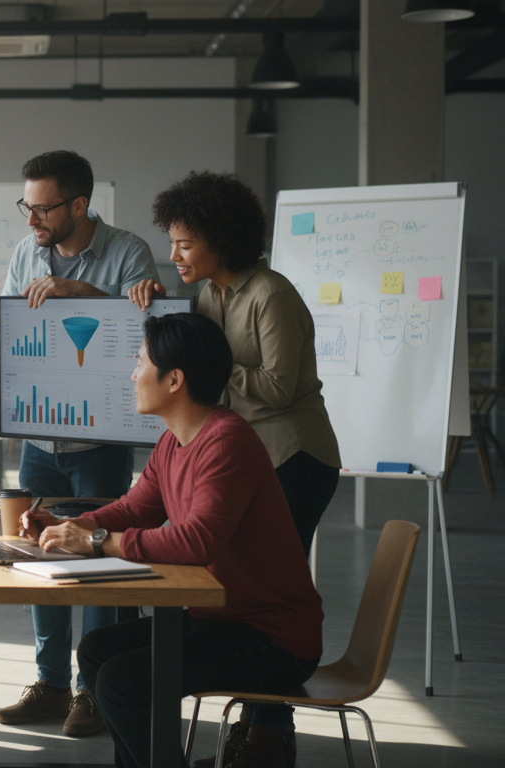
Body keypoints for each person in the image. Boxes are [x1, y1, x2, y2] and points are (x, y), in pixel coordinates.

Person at [26, 312, 323, 768]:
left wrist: (99, 541)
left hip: (274, 637)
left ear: (174, 380)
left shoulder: (226, 442)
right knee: (97, 651)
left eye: (141, 361)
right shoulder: (174, 441)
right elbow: (134, 508)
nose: (132, 373)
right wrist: (73, 526)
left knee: (121, 682)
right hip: (219, 620)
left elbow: (197, 542)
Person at [129, 171, 341, 768]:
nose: (174, 255)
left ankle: (268, 733)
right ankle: (249, 718)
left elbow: (276, 385)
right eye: (171, 243)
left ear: (221, 241)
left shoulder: (271, 293)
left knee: (265, 597)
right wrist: (158, 302)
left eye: (184, 244)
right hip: (246, 455)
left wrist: (206, 372)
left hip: (294, 456)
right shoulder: (206, 295)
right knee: (236, 585)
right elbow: (191, 356)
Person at [0, 150, 160, 735]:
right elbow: (15, 326)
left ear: (80, 204)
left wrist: (82, 292)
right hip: (41, 435)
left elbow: (148, 331)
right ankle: (50, 683)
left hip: (100, 440)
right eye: (27, 207)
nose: (32, 220)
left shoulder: (128, 252)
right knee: (36, 558)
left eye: (42, 209)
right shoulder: (25, 253)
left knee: (98, 564)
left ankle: (93, 691)